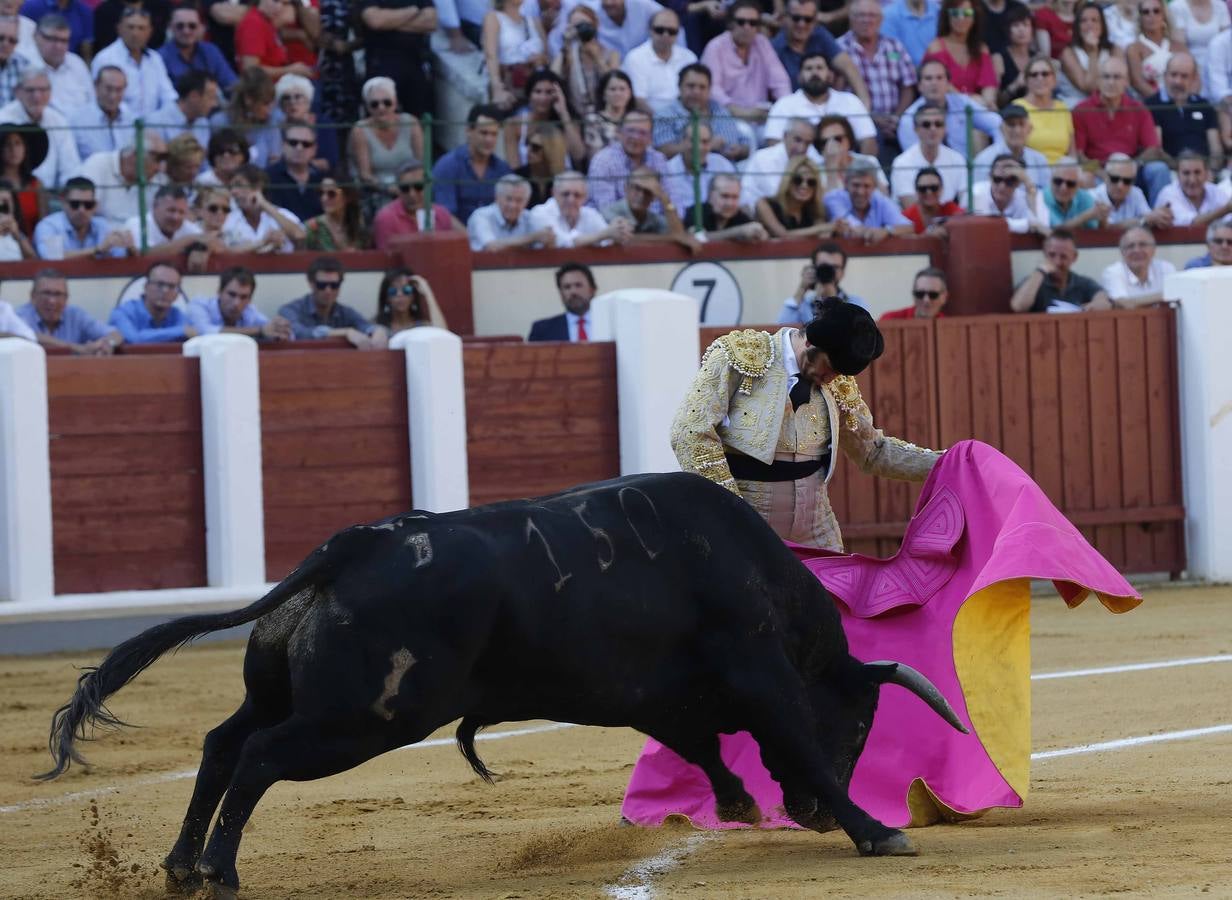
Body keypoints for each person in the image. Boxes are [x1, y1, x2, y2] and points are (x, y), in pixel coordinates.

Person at [672, 296, 940, 552]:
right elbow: (690, 431)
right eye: (831, 367)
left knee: (832, 599)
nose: (832, 377)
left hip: (816, 529)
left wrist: (947, 463)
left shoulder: (838, 384)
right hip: (746, 523)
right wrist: (730, 509)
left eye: (840, 373)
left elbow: (874, 452)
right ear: (811, 342)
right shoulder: (740, 356)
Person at [1072, 55, 1170, 203]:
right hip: (1099, 172)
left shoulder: (1138, 109)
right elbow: (1079, 156)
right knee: (1085, 177)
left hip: (1132, 169)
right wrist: (1102, 173)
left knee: (1159, 169)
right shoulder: (1082, 110)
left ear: (1126, 81)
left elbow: (1152, 148)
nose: (1111, 82)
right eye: (1106, 77)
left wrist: (1130, 168)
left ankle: (1160, 219)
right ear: (1098, 80)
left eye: (1117, 77)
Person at [837, 0, 919, 159]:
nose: (867, 20)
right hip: (858, 122)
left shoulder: (894, 46)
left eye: (872, 15)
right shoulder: (840, 48)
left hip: (895, 121)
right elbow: (837, 92)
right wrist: (871, 118)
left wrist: (897, 118)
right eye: (861, 15)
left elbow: (908, 85)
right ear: (851, 19)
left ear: (881, 20)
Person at [701, 0, 792, 126]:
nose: (747, 27)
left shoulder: (762, 43)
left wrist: (786, 109)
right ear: (731, 24)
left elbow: (780, 81)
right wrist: (741, 112)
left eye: (753, 23)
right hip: (726, 119)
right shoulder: (715, 47)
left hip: (760, 118)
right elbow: (713, 90)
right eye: (741, 22)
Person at [764, 52, 876, 151]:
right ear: (799, 77)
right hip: (798, 170)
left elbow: (868, 140)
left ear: (830, 75)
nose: (814, 73)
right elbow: (773, 145)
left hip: (844, 170)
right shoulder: (784, 105)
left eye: (820, 68)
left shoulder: (850, 101)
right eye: (808, 69)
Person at [771, 0, 871, 106]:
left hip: (825, 111)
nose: (801, 24)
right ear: (785, 18)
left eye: (808, 19)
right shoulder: (775, 47)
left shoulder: (820, 36)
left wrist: (864, 107)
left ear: (815, 21)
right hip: (790, 111)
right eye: (796, 18)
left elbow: (849, 69)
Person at [278, 257, 388, 349]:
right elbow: (298, 333)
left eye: (334, 285)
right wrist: (344, 332)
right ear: (311, 284)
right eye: (322, 285)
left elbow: (365, 325)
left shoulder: (345, 312)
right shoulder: (291, 310)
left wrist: (378, 331)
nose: (328, 290)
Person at [897, 59, 1000, 157]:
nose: (934, 83)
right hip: (928, 172)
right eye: (928, 78)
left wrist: (988, 159)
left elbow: (998, 125)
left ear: (948, 84)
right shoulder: (908, 119)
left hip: (964, 171)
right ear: (919, 86)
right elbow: (914, 158)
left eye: (939, 78)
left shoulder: (962, 103)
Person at [349, 76, 425, 208]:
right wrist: (390, 189)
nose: (381, 107)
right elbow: (365, 174)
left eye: (387, 102)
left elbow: (423, 162)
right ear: (367, 107)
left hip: (413, 187)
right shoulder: (360, 130)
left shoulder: (411, 122)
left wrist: (410, 187)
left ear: (395, 103)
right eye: (374, 104)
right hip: (379, 192)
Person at [652, 63, 748, 164]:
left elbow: (745, 145)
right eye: (691, 86)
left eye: (702, 87)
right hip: (685, 176)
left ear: (709, 90)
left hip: (726, 173)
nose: (696, 92)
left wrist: (740, 150)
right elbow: (664, 152)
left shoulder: (721, 111)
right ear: (679, 87)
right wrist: (708, 145)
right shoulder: (664, 116)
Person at [89, 6, 176, 117]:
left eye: (141, 28)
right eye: (130, 27)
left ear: (150, 31)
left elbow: (168, 95)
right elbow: (101, 100)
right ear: (119, 29)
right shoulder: (105, 58)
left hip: (154, 127)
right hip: (120, 125)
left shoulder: (155, 58)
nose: (135, 33)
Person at [432, 104, 512, 224]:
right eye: (484, 133)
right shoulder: (447, 166)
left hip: (496, 238)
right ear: (469, 131)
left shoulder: (503, 169)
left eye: (494, 134)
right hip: (459, 239)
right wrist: (473, 240)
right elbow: (446, 216)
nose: (489, 139)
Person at [0, 67, 77, 189]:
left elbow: (70, 168)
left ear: (51, 92)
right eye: (30, 90)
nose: (37, 96)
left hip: (52, 196)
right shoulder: (3, 119)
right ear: (17, 92)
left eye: (43, 90)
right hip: (10, 194)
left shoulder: (59, 120)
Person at [358, 0, 436, 119]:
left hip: (414, 64)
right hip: (380, 66)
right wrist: (413, 10)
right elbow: (376, 21)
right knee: (380, 117)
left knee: (416, 118)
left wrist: (390, 23)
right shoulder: (413, 7)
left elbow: (430, 22)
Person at [16, 267, 122, 354]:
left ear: (66, 299)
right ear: (32, 296)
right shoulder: (21, 316)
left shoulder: (75, 315)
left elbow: (116, 334)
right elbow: (28, 336)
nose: (52, 301)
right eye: (46, 293)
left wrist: (107, 344)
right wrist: (77, 348)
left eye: (58, 294)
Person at [602, 165, 700, 253]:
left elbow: (679, 234)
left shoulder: (654, 219)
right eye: (637, 188)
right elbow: (625, 240)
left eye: (648, 191)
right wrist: (672, 238)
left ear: (654, 196)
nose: (641, 195)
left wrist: (664, 198)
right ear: (626, 188)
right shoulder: (610, 212)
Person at [1009, 228, 1111, 312]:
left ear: (1074, 257)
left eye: (1063, 257)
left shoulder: (1083, 283)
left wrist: (1093, 306)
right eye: (1052, 255)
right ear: (1045, 253)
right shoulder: (1033, 282)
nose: (1057, 262)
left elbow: (1104, 302)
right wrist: (1040, 271)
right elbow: (1018, 307)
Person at [1146, 52, 1220, 165]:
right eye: (1173, 75)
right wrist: (1183, 170)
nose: (1178, 81)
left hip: (1205, 173)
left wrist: (1210, 170)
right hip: (1171, 171)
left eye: (1184, 76)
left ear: (1194, 78)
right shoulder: (1152, 105)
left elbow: (1216, 148)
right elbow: (1157, 149)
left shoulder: (1204, 105)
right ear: (1165, 75)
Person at [502, 68, 586, 168]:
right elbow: (514, 168)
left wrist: (563, 112)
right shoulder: (513, 125)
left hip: (562, 180)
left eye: (549, 92)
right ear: (529, 95)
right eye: (538, 92)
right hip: (526, 180)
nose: (543, 98)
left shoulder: (567, 121)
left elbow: (578, 155)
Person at [34, 175, 134, 258]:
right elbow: (51, 257)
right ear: (63, 203)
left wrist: (129, 248)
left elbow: (120, 256)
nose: (81, 210)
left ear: (95, 206)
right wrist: (97, 250)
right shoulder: (49, 226)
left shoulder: (103, 226)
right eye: (75, 204)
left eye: (88, 205)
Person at [588, 107, 668, 210]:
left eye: (642, 133)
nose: (636, 137)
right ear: (619, 132)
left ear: (650, 138)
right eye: (631, 130)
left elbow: (674, 202)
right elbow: (607, 209)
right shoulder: (603, 161)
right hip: (615, 224)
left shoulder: (658, 159)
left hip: (654, 223)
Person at [890, 103, 969, 206]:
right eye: (926, 125)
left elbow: (965, 200)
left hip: (950, 218)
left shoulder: (957, 160)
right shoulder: (902, 163)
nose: (933, 129)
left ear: (945, 128)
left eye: (938, 124)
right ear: (916, 129)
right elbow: (910, 206)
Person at [78, 134, 166, 225]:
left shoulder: (158, 179)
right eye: (157, 160)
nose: (159, 168)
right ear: (136, 155)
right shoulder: (98, 164)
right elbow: (83, 212)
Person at [924, 0, 998, 108]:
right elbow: (940, 83)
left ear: (974, 16)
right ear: (947, 16)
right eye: (955, 13)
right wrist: (969, 101)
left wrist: (988, 101)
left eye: (967, 13)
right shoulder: (936, 48)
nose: (961, 18)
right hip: (945, 107)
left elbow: (988, 84)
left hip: (977, 107)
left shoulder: (982, 48)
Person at [373, 161, 463, 249]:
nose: (412, 194)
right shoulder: (386, 218)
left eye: (418, 187)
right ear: (398, 190)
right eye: (405, 188)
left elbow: (464, 240)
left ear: (429, 187)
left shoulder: (440, 214)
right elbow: (386, 258)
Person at [530, 170, 632, 247]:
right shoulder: (540, 213)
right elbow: (565, 244)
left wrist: (619, 231)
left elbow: (607, 241)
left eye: (577, 195)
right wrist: (606, 234)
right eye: (565, 194)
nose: (571, 200)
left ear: (585, 197)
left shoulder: (591, 214)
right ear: (554, 193)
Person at [623, 7, 697, 114]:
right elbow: (638, 101)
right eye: (659, 30)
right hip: (650, 119)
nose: (665, 35)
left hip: (686, 117)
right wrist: (663, 121)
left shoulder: (689, 58)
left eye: (672, 31)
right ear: (649, 30)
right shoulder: (635, 58)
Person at [551, 4, 619, 119]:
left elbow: (615, 84)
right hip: (576, 117)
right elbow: (553, 79)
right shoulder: (567, 54)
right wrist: (566, 45)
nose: (582, 29)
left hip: (605, 116)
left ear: (596, 24)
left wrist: (598, 58)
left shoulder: (611, 54)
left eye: (585, 24)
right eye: (577, 26)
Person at [187, 266, 292, 340]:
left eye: (244, 297)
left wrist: (279, 330)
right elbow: (205, 333)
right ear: (219, 292)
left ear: (250, 300)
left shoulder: (250, 311)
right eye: (232, 295)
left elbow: (287, 335)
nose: (237, 303)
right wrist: (259, 331)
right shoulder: (199, 305)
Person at [824, 157, 914, 242]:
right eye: (856, 185)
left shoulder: (879, 199)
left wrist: (887, 231)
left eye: (866, 186)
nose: (861, 192)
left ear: (874, 187)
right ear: (846, 184)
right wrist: (878, 232)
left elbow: (909, 227)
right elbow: (855, 229)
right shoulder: (834, 198)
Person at [739, 116, 822, 208]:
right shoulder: (763, 158)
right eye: (798, 140)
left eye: (807, 143)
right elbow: (775, 195)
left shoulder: (811, 159)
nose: (802, 148)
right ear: (785, 136)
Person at [777, 240, 868, 324]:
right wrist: (801, 290)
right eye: (823, 266)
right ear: (813, 268)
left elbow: (857, 336)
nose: (828, 271)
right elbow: (781, 330)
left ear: (842, 273)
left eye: (835, 267)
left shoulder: (856, 303)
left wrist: (833, 301)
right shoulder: (803, 305)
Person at [158, 3, 237, 94]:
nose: (186, 31)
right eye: (180, 26)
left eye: (192, 26)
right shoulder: (160, 57)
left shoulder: (210, 51)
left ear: (200, 27)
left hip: (213, 106)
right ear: (171, 27)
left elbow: (231, 84)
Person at [210, 65, 281, 167]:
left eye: (271, 104)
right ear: (249, 99)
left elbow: (275, 161)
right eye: (265, 103)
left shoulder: (271, 123)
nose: (270, 110)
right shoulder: (219, 122)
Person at [481, 0, 546, 110]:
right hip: (509, 83)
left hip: (536, 85)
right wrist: (497, 87)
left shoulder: (533, 21)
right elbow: (491, 55)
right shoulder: (493, 17)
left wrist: (539, 59)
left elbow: (546, 56)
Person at [109, 261, 196, 343]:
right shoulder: (123, 313)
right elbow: (134, 339)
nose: (165, 290)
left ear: (177, 294)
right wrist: (180, 331)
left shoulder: (178, 316)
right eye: (160, 284)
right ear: (146, 287)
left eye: (171, 286)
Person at [224, 164, 305, 252]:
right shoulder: (229, 219)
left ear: (257, 186)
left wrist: (264, 205)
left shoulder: (282, 214)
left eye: (239, 185)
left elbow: (299, 235)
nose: (233, 191)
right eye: (231, 187)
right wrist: (263, 242)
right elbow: (226, 251)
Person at [660, 120, 736, 212]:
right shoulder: (668, 171)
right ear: (682, 141)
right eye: (693, 141)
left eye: (705, 142)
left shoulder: (722, 164)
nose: (699, 147)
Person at [970, 104, 1051, 187]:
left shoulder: (1039, 160)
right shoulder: (984, 159)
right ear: (1001, 129)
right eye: (1011, 125)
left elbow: (1044, 196)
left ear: (1029, 129)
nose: (1017, 130)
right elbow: (978, 195)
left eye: (1021, 124)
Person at [756, 155, 835, 239]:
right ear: (788, 181)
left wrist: (833, 229)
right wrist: (820, 229)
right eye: (798, 180)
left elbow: (823, 234)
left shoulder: (814, 211)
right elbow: (783, 235)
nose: (804, 186)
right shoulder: (765, 204)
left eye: (811, 182)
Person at [468, 172, 552, 251]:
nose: (513, 205)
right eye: (509, 199)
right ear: (497, 198)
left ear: (527, 202)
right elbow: (492, 247)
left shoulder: (529, 217)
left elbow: (547, 244)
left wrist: (548, 239)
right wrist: (532, 238)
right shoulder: (481, 216)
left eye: (519, 200)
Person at [1012, 56, 1074, 163]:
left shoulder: (1062, 107)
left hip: (1062, 172)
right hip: (1031, 168)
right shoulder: (1017, 107)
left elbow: (1072, 153)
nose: (1040, 78)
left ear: (1054, 80)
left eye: (1045, 74)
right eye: (1034, 75)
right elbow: (1013, 150)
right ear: (1026, 81)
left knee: (1090, 171)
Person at [1058, 2, 1118, 109]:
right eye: (1083, 21)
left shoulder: (1114, 49)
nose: (1089, 24)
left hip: (1109, 102)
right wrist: (1093, 53)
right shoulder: (1068, 53)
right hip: (1077, 105)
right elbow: (1090, 88)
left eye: (1094, 20)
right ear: (1077, 26)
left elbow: (1121, 83)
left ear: (1102, 25)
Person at [262, 120, 325, 223]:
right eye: (293, 143)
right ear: (283, 145)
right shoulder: (266, 177)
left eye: (306, 144)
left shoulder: (322, 179)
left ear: (314, 149)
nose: (299, 148)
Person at [30, 13, 92, 114]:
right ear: (36, 36)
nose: (58, 46)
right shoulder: (25, 65)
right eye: (52, 39)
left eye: (64, 41)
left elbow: (92, 102)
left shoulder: (77, 63)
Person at [970, 153, 1049, 233]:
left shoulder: (1022, 196)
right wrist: (1027, 224)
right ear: (989, 177)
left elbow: (1041, 227)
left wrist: (1028, 186)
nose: (1002, 186)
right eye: (997, 179)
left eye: (1009, 181)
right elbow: (985, 224)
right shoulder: (976, 192)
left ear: (1018, 183)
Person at [1098, 225, 1175, 307]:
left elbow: (1177, 298)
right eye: (1130, 246)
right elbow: (1124, 304)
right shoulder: (1112, 272)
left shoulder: (1166, 268)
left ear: (1154, 249)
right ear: (1122, 252)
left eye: (1143, 245)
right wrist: (1165, 295)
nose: (1136, 250)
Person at [234, 0, 311, 80]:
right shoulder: (254, 23)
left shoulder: (266, 20)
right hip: (263, 89)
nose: (279, 7)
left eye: (284, 4)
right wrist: (289, 70)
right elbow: (250, 70)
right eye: (275, 1)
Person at [71, 64, 134, 161]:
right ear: (96, 86)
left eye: (119, 90)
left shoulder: (132, 119)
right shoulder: (77, 121)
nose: (113, 96)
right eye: (108, 89)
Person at [1090, 153, 1171, 228]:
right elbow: (1108, 228)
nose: (1120, 186)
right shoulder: (1092, 196)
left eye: (1127, 181)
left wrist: (1160, 217)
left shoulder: (1136, 193)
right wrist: (1144, 220)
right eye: (1115, 179)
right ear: (1106, 177)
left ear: (1133, 181)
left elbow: (1149, 217)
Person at [1152, 151, 1232, 227]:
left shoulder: (1216, 192)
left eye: (1197, 172)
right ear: (1178, 175)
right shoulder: (1168, 194)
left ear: (1206, 174)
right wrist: (1226, 209)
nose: (1192, 180)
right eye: (1186, 173)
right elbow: (1190, 224)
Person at [815, 114, 889, 195]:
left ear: (849, 140)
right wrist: (832, 169)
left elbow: (884, 196)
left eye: (838, 139)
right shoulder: (815, 171)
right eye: (824, 142)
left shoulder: (869, 161)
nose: (832, 146)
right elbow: (827, 205)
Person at [684, 172, 768, 242]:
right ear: (710, 195)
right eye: (725, 196)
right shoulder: (696, 212)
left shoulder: (740, 216)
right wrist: (738, 232)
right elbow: (698, 238)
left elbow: (763, 237)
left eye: (735, 197)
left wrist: (759, 233)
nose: (729, 203)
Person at [1125, 0, 1183, 98]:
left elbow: (1193, 78)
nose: (1151, 15)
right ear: (1140, 18)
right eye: (1146, 12)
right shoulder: (1134, 49)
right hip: (1151, 104)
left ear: (1164, 15)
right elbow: (1137, 82)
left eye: (1156, 11)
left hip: (1180, 101)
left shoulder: (1179, 46)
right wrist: (1162, 101)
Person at [125, 183, 204, 255]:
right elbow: (146, 254)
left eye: (181, 212)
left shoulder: (186, 226)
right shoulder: (136, 224)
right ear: (155, 206)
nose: (176, 217)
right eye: (171, 210)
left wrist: (203, 250)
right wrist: (191, 240)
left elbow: (209, 241)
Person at [1168, 0, 1228, 94]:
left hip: (1219, 65)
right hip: (1190, 68)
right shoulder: (1177, 6)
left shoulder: (1220, 5)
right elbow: (1179, 45)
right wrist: (1196, 72)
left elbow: (1226, 43)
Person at [528, 261, 597, 341]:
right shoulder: (542, 330)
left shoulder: (610, 324)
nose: (573, 292)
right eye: (567, 287)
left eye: (578, 285)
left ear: (592, 290)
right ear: (561, 294)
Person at [304, 177, 371, 251]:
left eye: (331, 193)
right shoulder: (312, 228)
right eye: (321, 193)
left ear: (347, 196)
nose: (324, 198)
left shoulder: (359, 227)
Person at [374, 266, 447, 333]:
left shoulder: (422, 325)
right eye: (393, 291)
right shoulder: (377, 326)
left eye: (406, 290)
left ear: (413, 296)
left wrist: (427, 292)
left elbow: (443, 334)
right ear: (386, 297)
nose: (400, 294)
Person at [0, 120, 43, 230]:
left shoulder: (36, 184)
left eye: (18, 143)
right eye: (7, 144)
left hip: (31, 244)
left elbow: (44, 223)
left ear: (25, 148)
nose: (13, 150)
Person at [992, 2, 1035, 107]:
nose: (1021, 30)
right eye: (1016, 25)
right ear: (1008, 30)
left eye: (1025, 25)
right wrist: (1015, 86)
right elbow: (996, 101)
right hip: (1009, 113)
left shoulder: (1037, 57)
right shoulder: (999, 58)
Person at [1043, 156, 1104, 229]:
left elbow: (1095, 230)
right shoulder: (1042, 198)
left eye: (1070, 184)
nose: (1063, 188)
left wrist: (1103, 217)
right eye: (1058, 181)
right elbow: (1056, 231)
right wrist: (1085, 217)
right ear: (1050, 180)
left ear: (1078, 185)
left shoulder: (1085, 197)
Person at [901, 166, 965, 234]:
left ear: (941, 189)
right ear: (916, 191)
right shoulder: (906, 217)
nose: (929, 192)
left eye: (934, 188)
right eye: (923, 189)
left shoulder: (950, 209)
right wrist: (929, 234)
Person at [883, 0, 941, 67]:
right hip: (904, 72)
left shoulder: (939, 12)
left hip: (937, 72)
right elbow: (889, 55)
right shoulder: (888, 15)